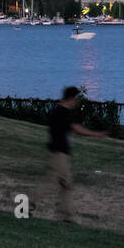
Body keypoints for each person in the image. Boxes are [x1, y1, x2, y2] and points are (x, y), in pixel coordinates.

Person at [35, 86, 108, 222]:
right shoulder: (63, 112)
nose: (76, 102)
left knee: (66, 185)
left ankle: (68, 214)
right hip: (59, 154)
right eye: (76, 99)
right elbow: (76, 128)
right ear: (71, 98)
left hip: (56, 152)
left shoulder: (57, 110)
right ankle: (29, 206)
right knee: (53, 183)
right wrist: (96, 134)